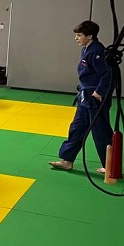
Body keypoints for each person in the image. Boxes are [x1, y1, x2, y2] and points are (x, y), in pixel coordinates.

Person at [49, 20, 112, 173]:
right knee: (77, 128)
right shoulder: (86, 49)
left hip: (95, 97)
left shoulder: (96, 51)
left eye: (79, 35)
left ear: (89, 36)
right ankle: (67, 160)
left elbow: (107, 74)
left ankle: (110, 166)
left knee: (100, 131)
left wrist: (99, 91)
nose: (76, 38)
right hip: (85, 96)